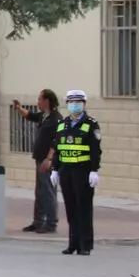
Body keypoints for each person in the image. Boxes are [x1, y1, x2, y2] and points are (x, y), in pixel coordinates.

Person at [49, 90, 103, 256]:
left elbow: (95, 150)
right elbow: (58, 149)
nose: (75, 105)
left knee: (84, 208)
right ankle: (72, 244)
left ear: (84, 104)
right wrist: (55, 170)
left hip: (83, 170)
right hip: (66, 171)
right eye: (72, 102)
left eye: (78, 102)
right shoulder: (62, 124)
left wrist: (94, 170)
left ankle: (85, 245)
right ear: (67, 104)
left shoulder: (91, 124)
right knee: (71, 208)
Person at [12, 90, 61, 233]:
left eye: (40, 99)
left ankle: (51, 223)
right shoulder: (44, 116)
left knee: (48, 191)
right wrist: (19, 108)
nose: (37, 102)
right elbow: (30, 116)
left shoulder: (56, 119)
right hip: (40, 159)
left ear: (47, 101)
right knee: (39, 191)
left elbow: (57, 141)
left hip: (48, 161)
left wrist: (49, 158)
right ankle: (38, 221)